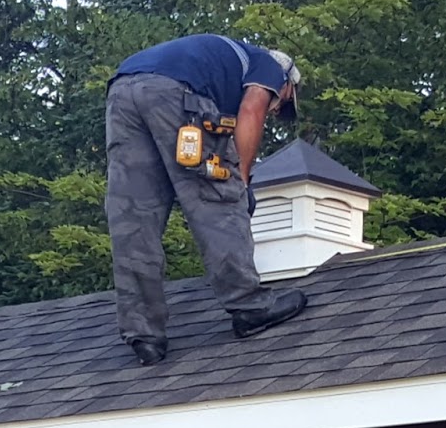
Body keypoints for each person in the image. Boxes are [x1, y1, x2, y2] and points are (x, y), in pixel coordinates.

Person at [105, 34, 310, 365]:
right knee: (217, 196)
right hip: (177, 92)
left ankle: (144, 335)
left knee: (134, 216)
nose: (276, 109)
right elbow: (252, 110)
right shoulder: (270, 65)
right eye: (282, 102)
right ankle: (250, 306)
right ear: (287, 84)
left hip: (122, 91)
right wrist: (242, 179)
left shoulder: (215, 63)